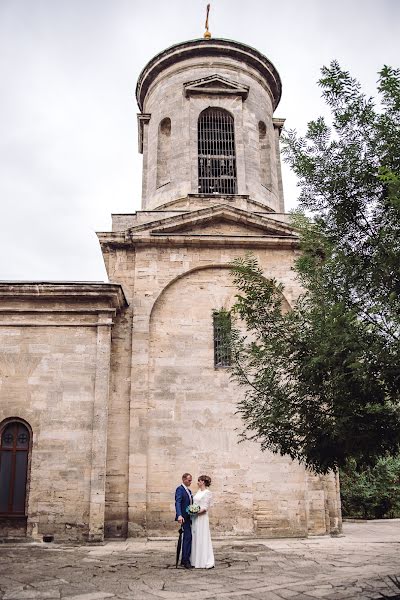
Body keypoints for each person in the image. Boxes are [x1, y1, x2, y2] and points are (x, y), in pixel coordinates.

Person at [190, 475, 215, 569]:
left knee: (202, 537)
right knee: (196, 537)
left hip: (202, 518)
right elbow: (195, 503)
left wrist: (195, 512)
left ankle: (204, 560)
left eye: (199, 481)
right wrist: (192, 512)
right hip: (195, 517)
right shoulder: (199, 491)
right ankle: (195, 560)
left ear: (203, 482)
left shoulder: (208, 493)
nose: (198, 482)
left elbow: (205, 508)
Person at [175, 472, 193, 568]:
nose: (190, 482)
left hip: (190, 518)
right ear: (184, 479)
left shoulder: (189, 491)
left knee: (188, 537)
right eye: (189, 480)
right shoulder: (180, 489)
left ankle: (184, 559)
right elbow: (177, 502)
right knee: (187, 537)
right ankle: (185, 560)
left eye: (191, 480)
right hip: (184, 518)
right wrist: (179, 515)